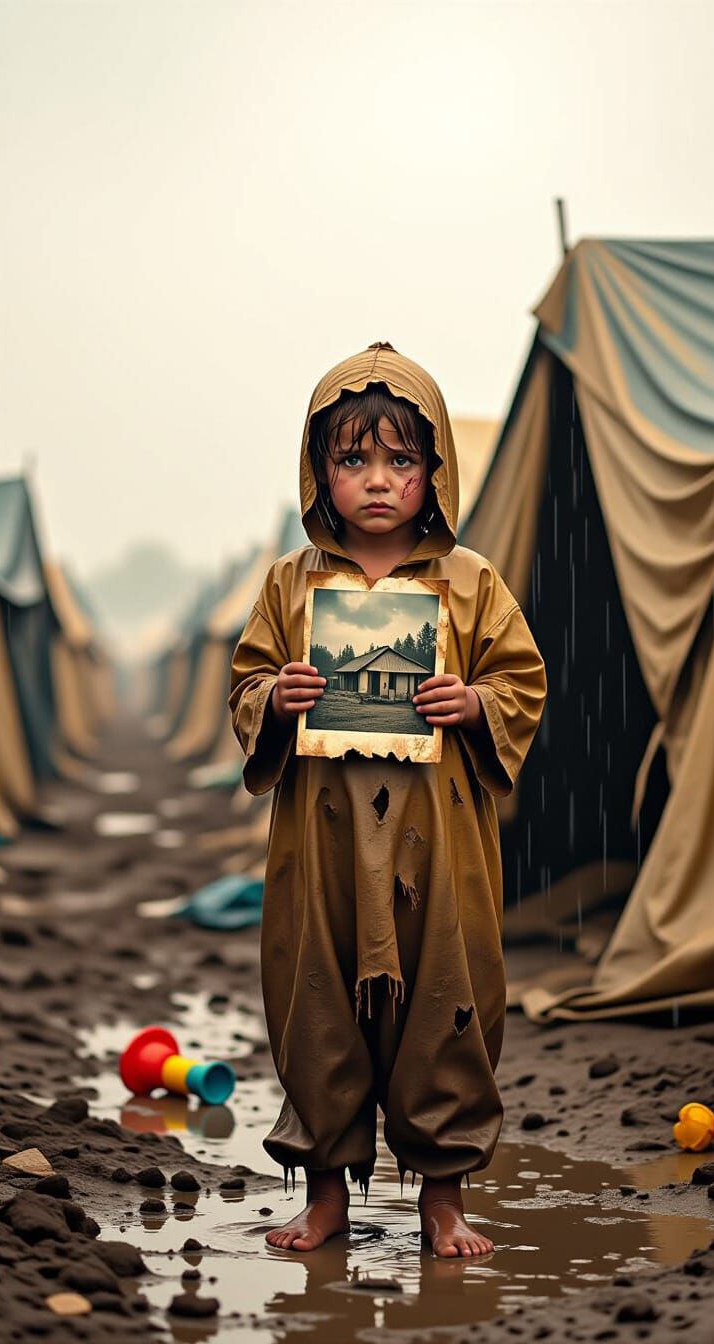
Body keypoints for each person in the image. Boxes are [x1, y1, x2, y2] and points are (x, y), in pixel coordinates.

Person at [229, 341, 547, 1258]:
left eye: (400, 460)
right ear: (318, 470)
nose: (377, 482)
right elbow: (246, 687)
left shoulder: (471, 583)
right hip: (322, 846)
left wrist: (475, 701)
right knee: (316, 1000)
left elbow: (521, 681)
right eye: (353, 459)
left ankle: (442, 1200)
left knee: (447, 1001)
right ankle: (325, 1195)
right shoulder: (291, 585)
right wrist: (275, 702)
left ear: (434, 467)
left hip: (436, 844)